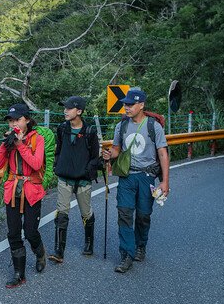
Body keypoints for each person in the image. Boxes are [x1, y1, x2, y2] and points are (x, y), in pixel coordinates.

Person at [102, 88, 170, 273]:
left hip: (146, 176)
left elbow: (162, 153)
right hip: (127, 176)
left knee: (143, 215)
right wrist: (109, 154)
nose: (126, 107)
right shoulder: (121, 126)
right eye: (125, 104)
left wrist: (165, 182)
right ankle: (127, 255)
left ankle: (141, 245)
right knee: (124, 214)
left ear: (141, 105)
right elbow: (117, 149)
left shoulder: (153, 126)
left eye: (131, 104)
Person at [0, 103, 48, 288]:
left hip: (31, 190)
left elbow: (36, 163)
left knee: (31, 231)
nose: (13, 123)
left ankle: (40, 253)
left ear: (27, 120)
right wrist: (5, 145)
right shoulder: (9, 139)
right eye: (10, 120)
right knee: (13, 232)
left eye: (17, 119)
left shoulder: (37, 139)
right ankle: (19, 273)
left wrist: (20, 145)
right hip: (13, 190)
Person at [49, 96, 101, 262]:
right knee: (61, 214)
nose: (65, 111)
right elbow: (59, 150)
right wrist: (57, 166)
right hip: (64, 178)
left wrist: (87, 171)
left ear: (79, 111)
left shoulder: (89, 132)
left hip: (82, 181)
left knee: (86, 213)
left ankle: (88, 242)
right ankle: (59, 251)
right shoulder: (62, 128)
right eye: (65, 108)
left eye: (69, 108)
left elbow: (94, 157)